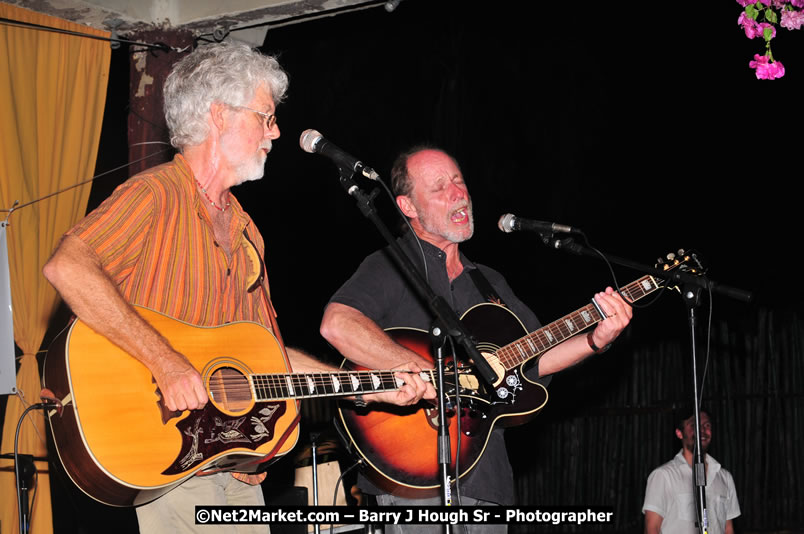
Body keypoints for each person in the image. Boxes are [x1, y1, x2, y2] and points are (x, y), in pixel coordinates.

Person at [42, 42, 430, 534]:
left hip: (226, 461)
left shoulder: (247, 231)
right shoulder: (156, 194)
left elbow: (267, 361)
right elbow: (67, 266)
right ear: (220, 116)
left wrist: (371, 385)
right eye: (266, 117)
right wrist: (165, 361)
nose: (276, 132)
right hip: (164, 448)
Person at [319, 146, 632, 532]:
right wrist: (414, 365)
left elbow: (535, 357)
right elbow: (338, 323)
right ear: (408, 206)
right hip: (414, 474)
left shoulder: (489, 281)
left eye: (459, 181)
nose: (458, 193)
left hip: (488, 480)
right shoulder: (391, 266)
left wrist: (597, 339)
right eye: (439, 187)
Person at [643, 408, 741, 534]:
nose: (703, 430)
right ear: (679, 433)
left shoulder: (724, 477)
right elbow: (652, 529)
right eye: (695, 425)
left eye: (707, 425)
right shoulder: (663, 476)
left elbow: (728, 529)